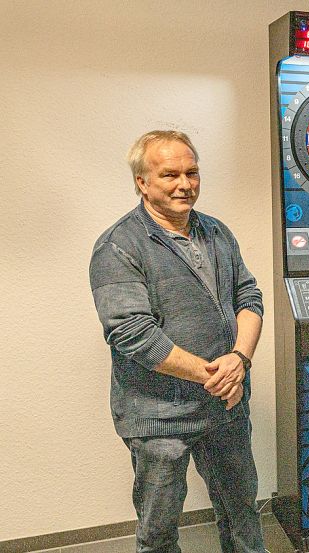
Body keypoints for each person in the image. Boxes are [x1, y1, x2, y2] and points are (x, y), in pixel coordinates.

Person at [89, 130, 265, 553]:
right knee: (160, 530)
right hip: (158, 417)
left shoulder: (217, 233)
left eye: (192, 172)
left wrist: (239, 358)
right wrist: (216, 374)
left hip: (225, 408)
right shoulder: (117, 246)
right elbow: (132, 333)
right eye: (169, 174)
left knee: (242, 513)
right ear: (142, 182)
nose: (184, 184)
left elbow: (249, 296)